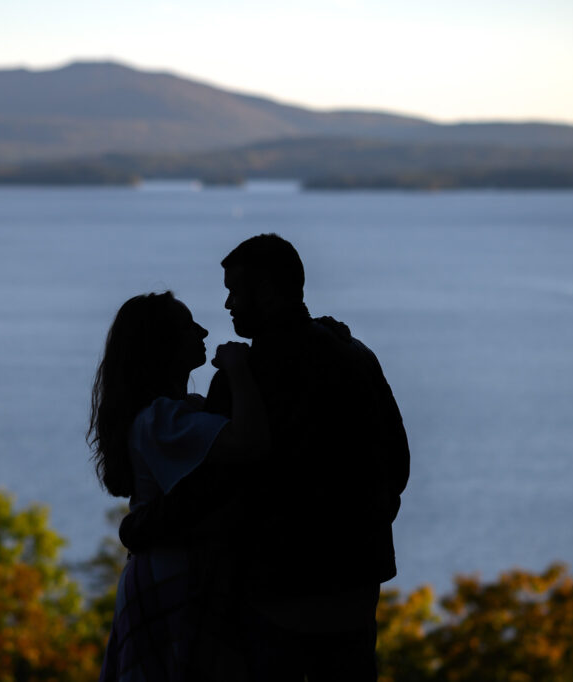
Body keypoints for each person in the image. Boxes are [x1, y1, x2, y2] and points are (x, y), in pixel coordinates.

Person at [120, 234, 410, 681]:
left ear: (269, 291)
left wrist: (140, 525)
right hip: (356, 583)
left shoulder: (241, 381)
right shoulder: (357, 357)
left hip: (275, 590)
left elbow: (211, 489)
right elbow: (399, 462)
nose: (227, 304)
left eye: (235, 290)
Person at [90, 290, 270, 681]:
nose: (203, 331)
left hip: (167, 578)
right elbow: (249, 442)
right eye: (189, 326)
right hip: (175, 581)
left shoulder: (169, 416)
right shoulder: (162, 421)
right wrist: (237, 369)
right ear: (164, 344)